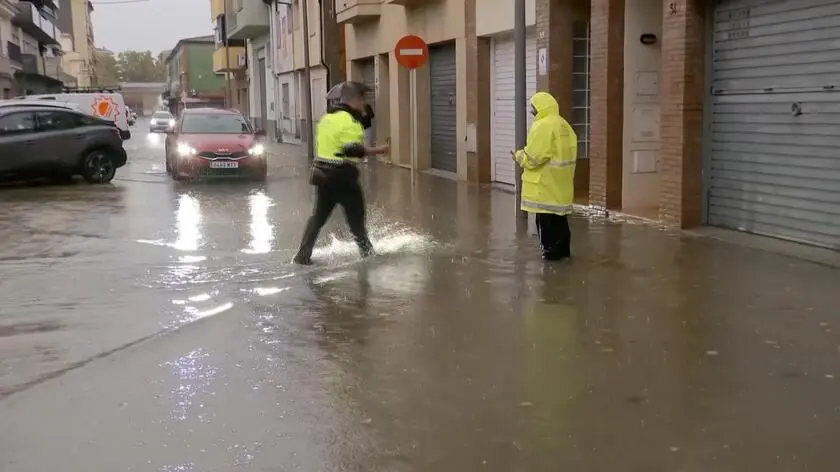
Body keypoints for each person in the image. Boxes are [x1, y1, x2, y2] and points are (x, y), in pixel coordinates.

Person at [293, 81, 389, 265]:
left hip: (322, 175)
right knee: (357, 221)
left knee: (318, 217)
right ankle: (368, 258)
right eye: (362, 99)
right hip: (343, 177)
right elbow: (352, 150)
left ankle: (302, 256)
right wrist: (379, 150)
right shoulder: (349, 121)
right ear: (353, 100)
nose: (364, 103)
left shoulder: (326, 119)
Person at [512, 92, 577, 260]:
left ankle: (550, 255)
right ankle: (563, 252)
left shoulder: (542, 126)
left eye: (533, 107)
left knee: (545, 223)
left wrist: (518, 155)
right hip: (561, 185)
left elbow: (533, 158)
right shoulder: (564, 125)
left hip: (545, 186)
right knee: (560, 221)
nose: (532, 111)